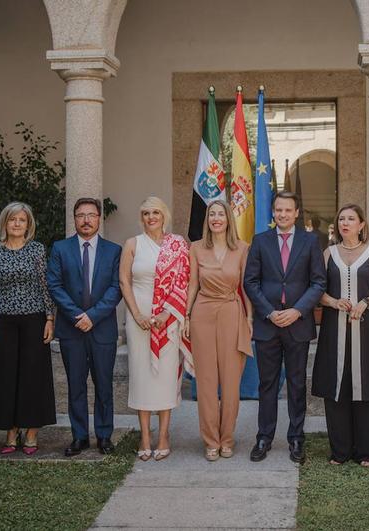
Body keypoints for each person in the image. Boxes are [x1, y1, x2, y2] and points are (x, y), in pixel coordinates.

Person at [244, 191, 326, 464]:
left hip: (297, 324)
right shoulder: (260, 241)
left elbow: (318, 282)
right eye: (278, 210)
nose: (282, 214)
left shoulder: (310, 241)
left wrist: (296, 311)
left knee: (296, 383)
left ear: (296, 212)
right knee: (266, 384)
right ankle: (264, 437)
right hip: (268, 325)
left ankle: (296, 438)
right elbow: (251, 282)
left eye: (287, 210)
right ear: (273, 212)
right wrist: (268, 313)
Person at [311, 204, 369, 467]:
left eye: (351, 219)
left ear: (361, 225)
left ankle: (368, 451)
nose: (345, 223)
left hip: (367, 329)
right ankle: (340, 450)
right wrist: (333, 302)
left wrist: (366, 302)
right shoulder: (328, 253)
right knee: (337, 385)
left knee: (366, 383)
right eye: (341, 219)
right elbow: (317, 290)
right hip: (334, 328)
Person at [47, 198, 122, 457]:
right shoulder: (60, 249)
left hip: (102, 330)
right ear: (74, 219)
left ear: (99, 218)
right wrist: (78, 315)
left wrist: (93, 316)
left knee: (104, 385)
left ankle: (104, 436)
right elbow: (54, 285)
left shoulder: (114, 250)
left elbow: (116, 288)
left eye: (91, 215)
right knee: (76, 385)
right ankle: (79, 437)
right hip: (72, 329)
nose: (86, 220)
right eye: (81, 215)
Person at [120, 196, 192, 462]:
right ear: (142, 217)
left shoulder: (178, 245)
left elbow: (183, 282)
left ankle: (163, 435)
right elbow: (124, 281)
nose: (151, 217)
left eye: (156, 213)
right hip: (138, 318)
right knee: (141, 377)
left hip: (169, 318)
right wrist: (137, 314)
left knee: (163, 378)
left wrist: (166, 313)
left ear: (164, 216)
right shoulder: (132, 244)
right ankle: (145, 436)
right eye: (147, 213)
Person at [0, 202, 56, 455]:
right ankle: (11, 431)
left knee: (33, 376)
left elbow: (45, 285)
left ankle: (32, 432)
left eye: (21, 220)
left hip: (34, 320)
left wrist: (50, 318)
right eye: (12, 219)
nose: (17, 224)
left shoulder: (37, 250)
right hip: (3, 321)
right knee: (6, 376)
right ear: (5, 222)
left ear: (28, 224)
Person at [183, 200, 252, 461]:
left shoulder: (242, 248)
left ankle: (227, 438)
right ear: (207, 219)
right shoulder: (196, 248)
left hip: (232, 312)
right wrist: (187, 316)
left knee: (232, 382)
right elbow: (192, 285)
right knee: (207, 382)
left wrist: (250, 318)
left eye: (220, 214)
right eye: (212, 214)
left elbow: (245, 286)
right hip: (202, 313)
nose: (216, 218)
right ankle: (210, 440)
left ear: (228, 219)